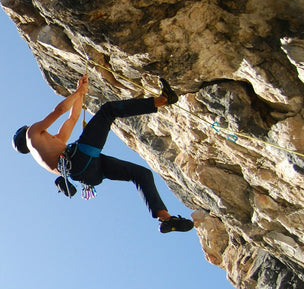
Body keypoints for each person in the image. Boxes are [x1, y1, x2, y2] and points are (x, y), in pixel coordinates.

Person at [12, 73, 194, 233]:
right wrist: (76, 94)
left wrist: (81, 92)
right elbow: (59, 111)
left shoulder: (49, 149)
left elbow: (73, 118)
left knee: (141, 174)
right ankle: (162, 100)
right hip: (80, 159)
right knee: (108, 111)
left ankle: (166, 219)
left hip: (88, 174)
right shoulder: (31, 134)